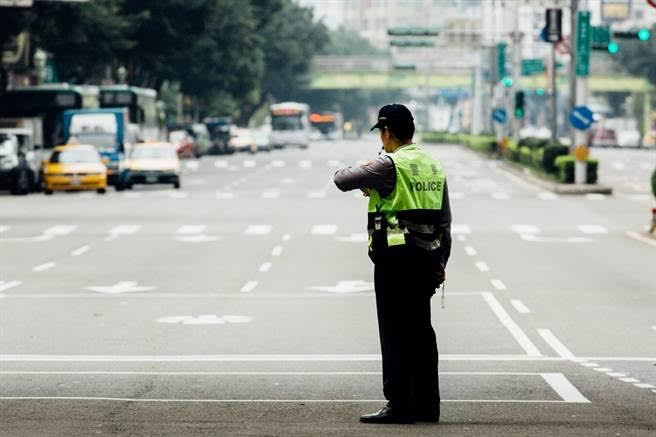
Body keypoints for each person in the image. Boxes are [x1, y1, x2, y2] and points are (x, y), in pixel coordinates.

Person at [333, 104, 452, 424]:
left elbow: (341, 179)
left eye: (382, 134)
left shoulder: (389, 165)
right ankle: (427, 406)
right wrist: (441, 262)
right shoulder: (432, 165)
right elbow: (445, 222)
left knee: (395, 332)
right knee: (421, 332)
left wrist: (368, 170)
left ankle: (399, 404)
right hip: (426, 259)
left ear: (386, 132)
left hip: (394, 260)